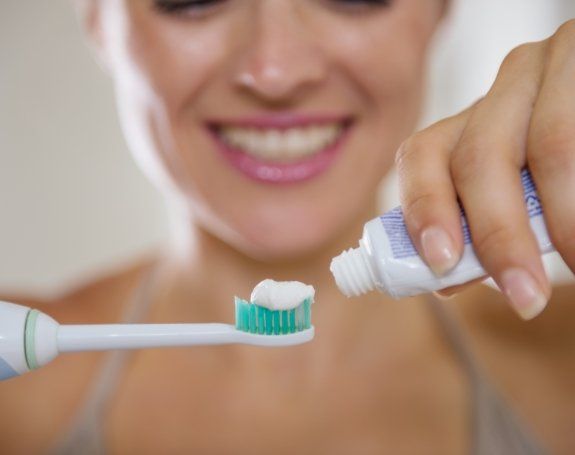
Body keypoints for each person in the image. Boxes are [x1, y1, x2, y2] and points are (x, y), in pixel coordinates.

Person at [1, 0, 574, 453]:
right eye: (195, 0)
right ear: (98, 19)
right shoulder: (16, 404)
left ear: (441, 9)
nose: (275, 72)